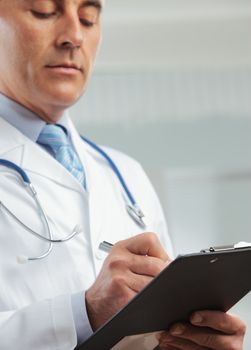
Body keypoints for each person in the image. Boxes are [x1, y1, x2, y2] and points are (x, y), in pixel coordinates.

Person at [0, 1, 246, 349]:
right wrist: (81, 313)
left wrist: (190, 339)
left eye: (88, 18)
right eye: (43, 11)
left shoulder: (126, 174)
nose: (74, 36)